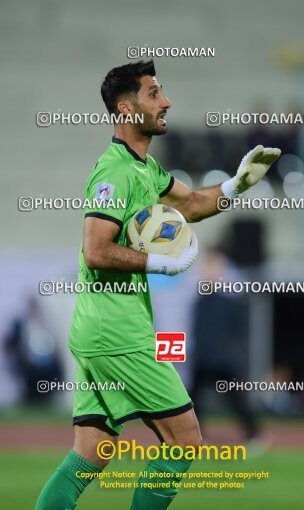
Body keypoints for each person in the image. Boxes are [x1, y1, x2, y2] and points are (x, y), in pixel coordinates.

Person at [35, 59, 281, 510]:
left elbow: (191, 204)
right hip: (117, 332)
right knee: (184, 441)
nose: (166, 102)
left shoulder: (145, 169)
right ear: (127, 110)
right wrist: (158, 264)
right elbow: (96, 249)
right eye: (154, 94)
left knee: (89, 453)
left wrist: (237, 184)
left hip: (102, 330)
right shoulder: (114, 174)